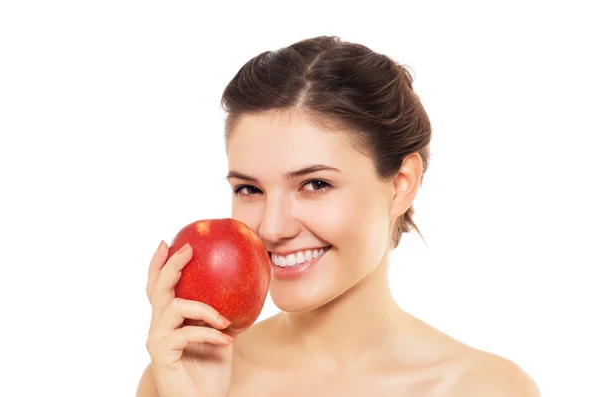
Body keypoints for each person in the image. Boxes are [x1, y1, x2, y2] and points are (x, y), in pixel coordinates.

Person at [136, 35, 540, 396]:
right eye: (250, 189)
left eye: (315, 184)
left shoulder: (487, 389)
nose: (273, 228)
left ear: (402, 182)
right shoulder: (177, 376)